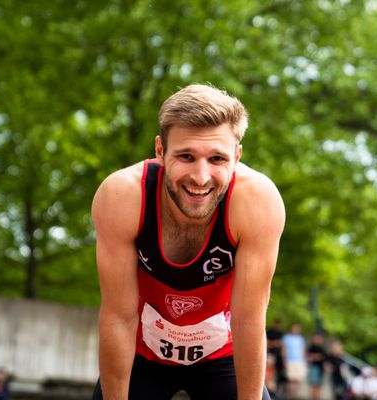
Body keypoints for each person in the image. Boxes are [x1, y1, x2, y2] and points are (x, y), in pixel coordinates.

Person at [91, 84, 285, 400]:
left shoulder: (256, 201)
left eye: (217, 158)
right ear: (160, 151)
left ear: (236, 156)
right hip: (142, 354)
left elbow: (248, 320)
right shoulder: (122, 196)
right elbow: (118, 317)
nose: (201, 177)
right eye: (186, 156)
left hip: (223, 357)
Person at [282, 324, 308, 399]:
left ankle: (295, 395)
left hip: (299, 361)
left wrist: (304, 360)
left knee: (298, 379)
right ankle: (291, 395)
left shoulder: (300, 339)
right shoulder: (286, 337)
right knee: (291, 379)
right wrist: (285, 360)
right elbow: (284, 350)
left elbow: (302, 350)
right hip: (290, 361)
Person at [266, 319, 287, 395]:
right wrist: (275, 343)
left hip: (278, 355)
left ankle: (275, 389)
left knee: (277, 372)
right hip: (271, 354)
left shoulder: (280, 333)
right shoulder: (269, 332)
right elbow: (267, 343)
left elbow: (281, 344)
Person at [306, 333, 327, 400]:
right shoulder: (312, 347)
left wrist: (317, 356)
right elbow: (309, 356)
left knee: (318, 386)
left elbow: (323, 357)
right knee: (313, 386)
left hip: (320, 369)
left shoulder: (322, 348)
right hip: (314, 368)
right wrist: (316, 356)